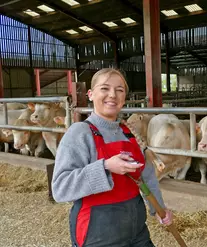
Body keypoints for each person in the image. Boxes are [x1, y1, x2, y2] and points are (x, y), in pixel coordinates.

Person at [51, 68, 173, 247]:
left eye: (119, 90)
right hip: (99, 233)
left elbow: (146, 176)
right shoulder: (80, 133)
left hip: (136, 230)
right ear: (91, 94)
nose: (113, 95)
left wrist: (159, 209)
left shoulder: (129, 132)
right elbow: (60, 188)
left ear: (124, 97)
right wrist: (105, 166)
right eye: (105, 88)